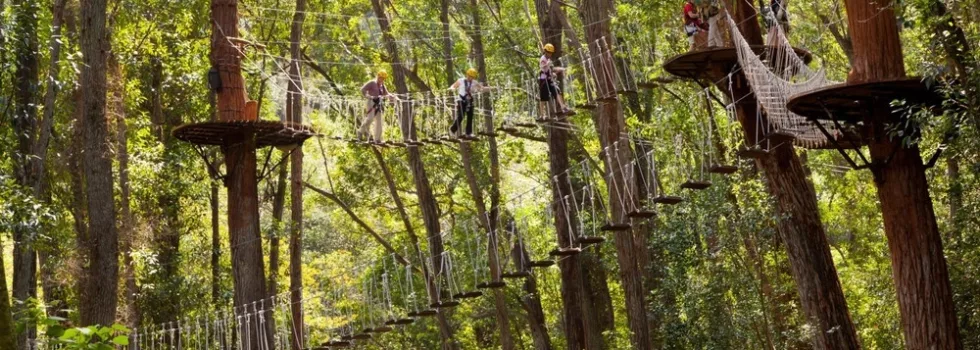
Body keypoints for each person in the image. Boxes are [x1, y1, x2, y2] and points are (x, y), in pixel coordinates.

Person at [449, 68, 490, 138]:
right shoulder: (460, 81)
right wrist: (452, 88)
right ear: (467, 74)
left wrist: (492, 88)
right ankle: (452, 129)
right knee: (461, 116)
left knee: (470, 116)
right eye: (469, 76)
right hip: (461, 100)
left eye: (471, 77)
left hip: (469, 100)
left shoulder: (474, 82)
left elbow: (482, 88)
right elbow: (453, 86)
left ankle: (468, 133)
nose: (470, 78)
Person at [358, 71, 393, 143]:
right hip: (371, 102)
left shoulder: (382, 85)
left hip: (378, 103)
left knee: (379, 121)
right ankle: (360, 131)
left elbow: (386, 93)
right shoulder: (372, 83)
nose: (381, 79)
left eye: (383, 78)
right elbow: (362, 89)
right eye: (380, 78)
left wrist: (391, 96)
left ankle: (377, 139)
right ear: (378, 76)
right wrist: (368, 96)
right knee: (370, 118)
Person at [538, 43, 570, 117]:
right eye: (549, 52)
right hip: (543, 80)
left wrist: (557, 71)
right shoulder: (543, 59)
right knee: (543, 97)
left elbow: (551, 69)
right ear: (545, 51)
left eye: (551, 53)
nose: (550, 54)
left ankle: (563, 107)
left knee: (557, 91)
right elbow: (542, 67)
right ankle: (542, 114)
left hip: (549, 79)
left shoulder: (548, 59)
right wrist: (547, 64)